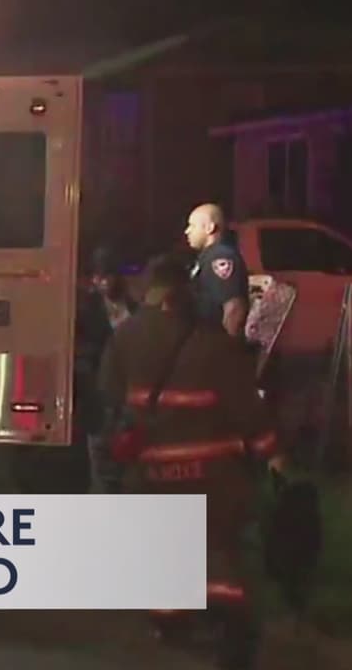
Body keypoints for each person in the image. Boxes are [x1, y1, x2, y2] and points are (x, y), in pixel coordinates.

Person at [99, 253, 283, 670]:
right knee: (221, 554)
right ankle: (231, 631)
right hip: (214, 478)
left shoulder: (125, 337)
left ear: (150, 291)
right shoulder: (214, 342)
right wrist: (271, 453)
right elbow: (246, 409)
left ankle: (170, 622)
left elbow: (108, 396)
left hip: (151, 476)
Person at [75, 246, 137, 493]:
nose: (103, 282)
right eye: (99, 277)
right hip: (99, 396)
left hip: (128, 395)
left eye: (108, 276)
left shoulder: (133, 307)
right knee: (101, 467)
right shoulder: (86, 310)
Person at [184, 204, 250, 338]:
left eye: (192, 226)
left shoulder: (219, 256)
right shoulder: (207, 256)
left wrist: (226, 344)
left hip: (213, 340)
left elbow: (234, 307)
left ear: (210, 228)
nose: (187, 231)